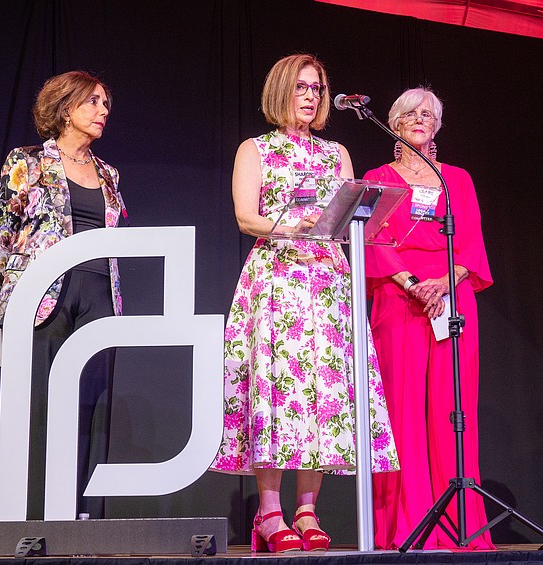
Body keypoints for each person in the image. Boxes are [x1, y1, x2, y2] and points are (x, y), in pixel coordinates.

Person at [210, 54, 399, 553]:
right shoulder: (255, 148)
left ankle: (307, 510)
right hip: (278, 278)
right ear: (280, 92)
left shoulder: (336, 152)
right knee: (277, 392)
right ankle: (269, 515)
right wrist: (287, 226)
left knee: (324, 397)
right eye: (301, 87)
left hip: (329, 280)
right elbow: (245, 217)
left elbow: (351, 212)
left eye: (317, 87)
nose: (311, 96)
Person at [0, 70, 127, 519]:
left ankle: (83, 515)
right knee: (42, 406)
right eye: (94, 102)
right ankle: (38, 514)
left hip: (100, 294)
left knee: (90, 405)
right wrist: (20, 286)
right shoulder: (25, 160)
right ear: (66, 108)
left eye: (105, 103)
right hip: (46, 296)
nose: (104, 111)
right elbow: (1, 230)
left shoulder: (108, 172)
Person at [363, 87, 495, 550]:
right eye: (410, 113)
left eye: (428, 115)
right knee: (401, 412)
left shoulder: (456, 178)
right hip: (400, 298)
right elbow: (372, 241)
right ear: (394, 124)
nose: (420, 119)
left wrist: (443, 282)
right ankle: (407, 525)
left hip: (452, 296)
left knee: (451, 409)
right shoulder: (378, 176)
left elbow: (473, 243)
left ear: (437, 126)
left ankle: (458, 525)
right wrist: (413, 285)